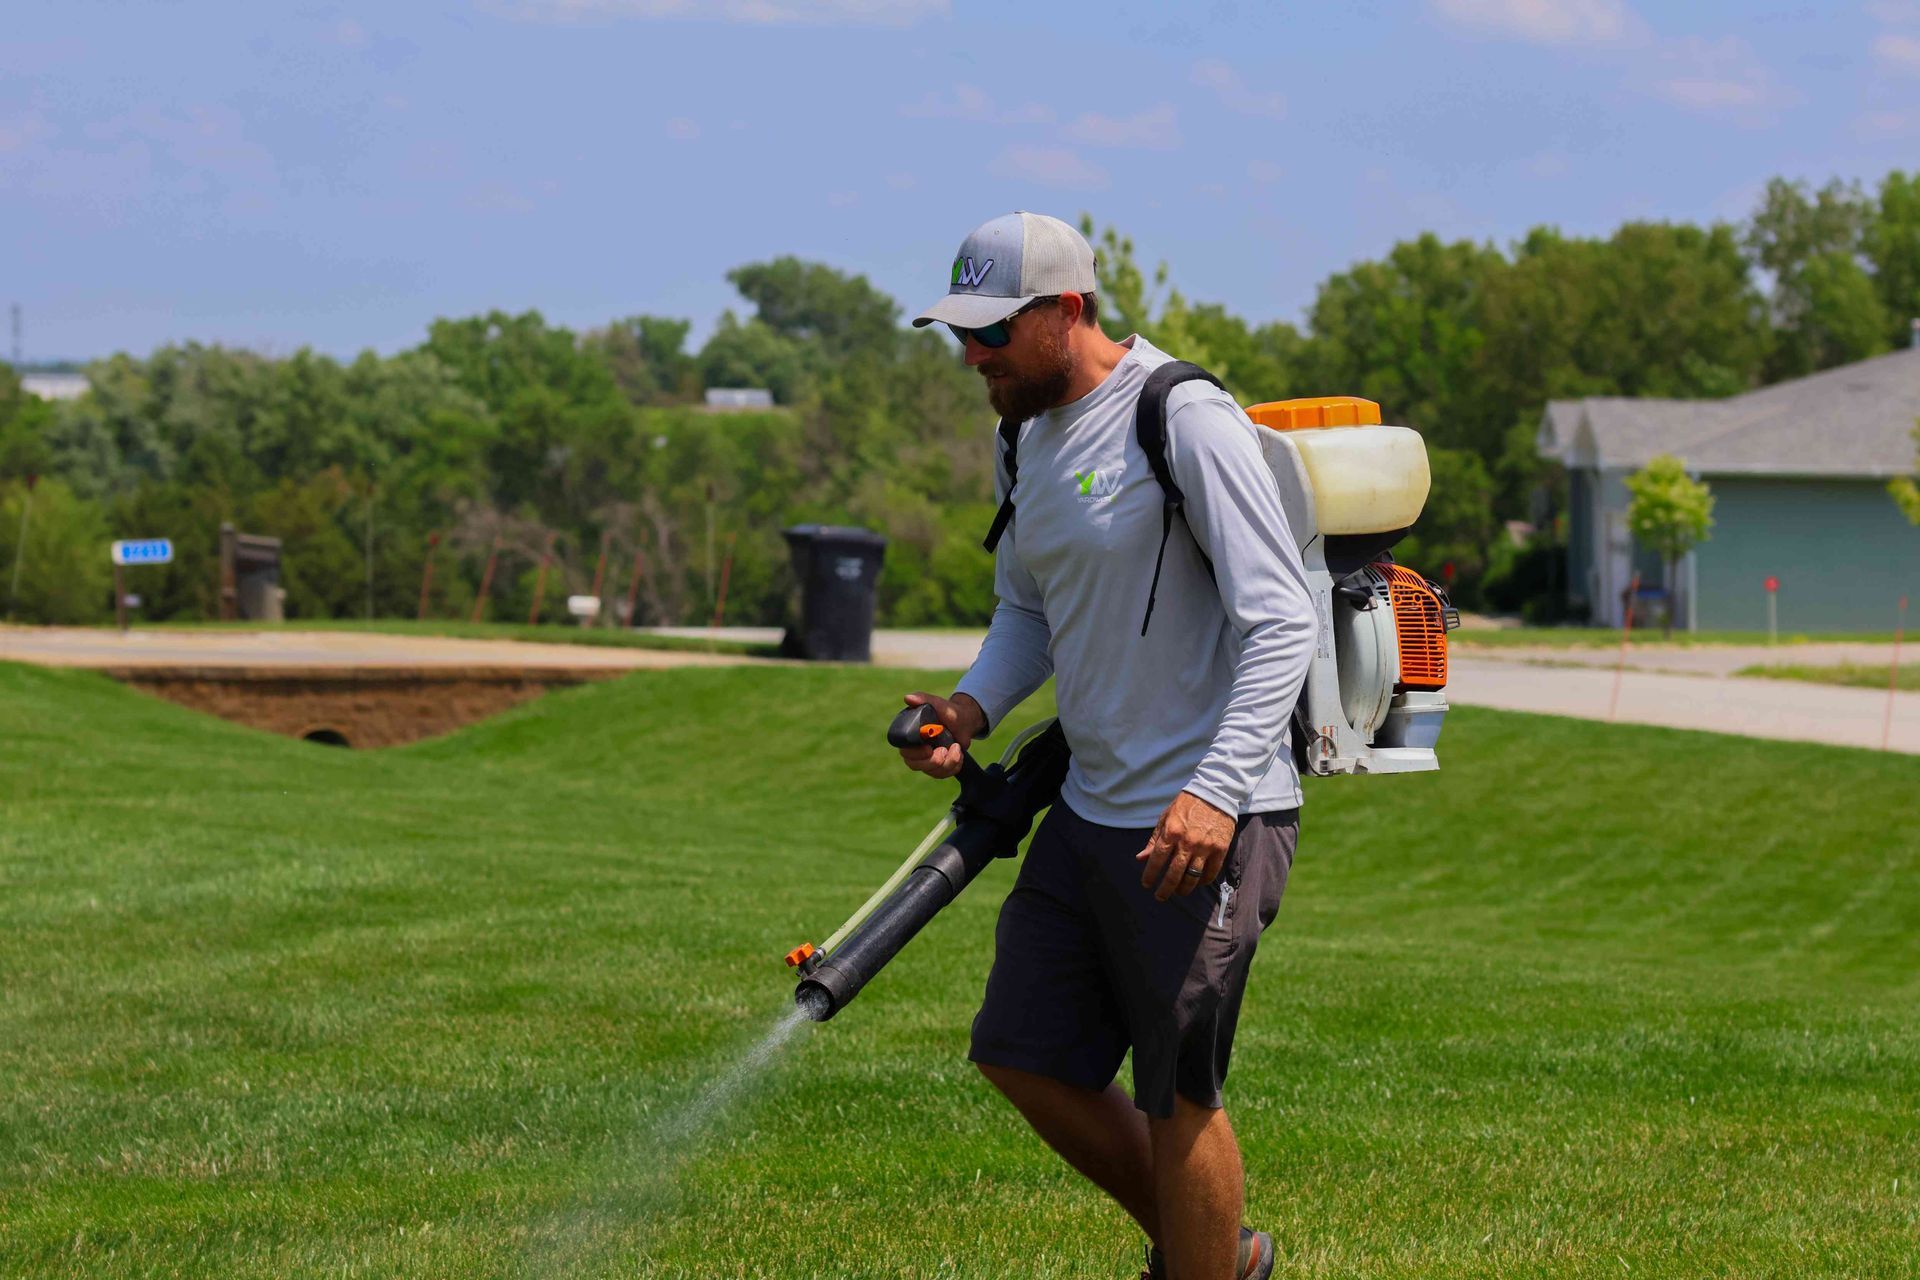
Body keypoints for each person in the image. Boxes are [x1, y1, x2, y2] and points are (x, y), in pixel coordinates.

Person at [897, 211, 1316, 1280]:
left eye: (992, 332)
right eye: (962, 332)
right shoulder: (1024, 439)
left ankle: (1200, 1266)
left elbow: (1282, 621)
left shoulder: (1182, 418)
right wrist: (970, 708)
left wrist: (1215, 795)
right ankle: (1221, 1252)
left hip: (1204, 818)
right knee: (1021, 1053)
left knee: (1178, 1088)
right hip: (1089, 812)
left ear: (1067, 311)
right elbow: (1027, 612)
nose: (973, 355)